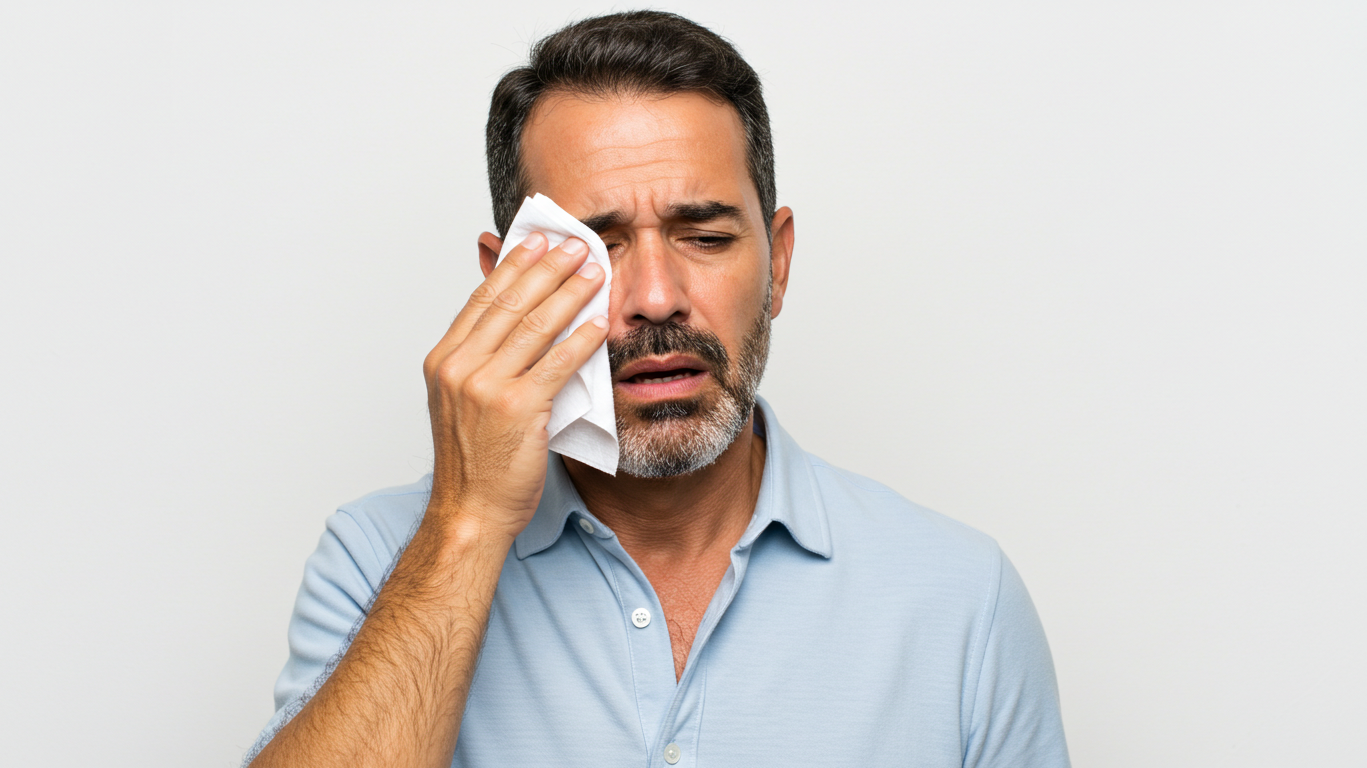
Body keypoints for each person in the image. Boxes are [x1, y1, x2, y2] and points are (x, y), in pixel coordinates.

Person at [244, 10, 1070, 768]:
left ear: (778, 263)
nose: (655, 297)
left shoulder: (962, 600)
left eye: (704, 237)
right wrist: (466, 524)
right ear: (503, 286)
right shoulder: (377, 561)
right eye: (595, 248)